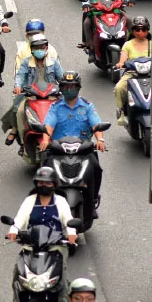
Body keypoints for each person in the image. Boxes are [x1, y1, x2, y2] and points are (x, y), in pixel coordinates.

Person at [39, 71, 106, 217]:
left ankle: (93, 200)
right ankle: (44, 203)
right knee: (44, 173)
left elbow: (96, 125)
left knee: (96, 169)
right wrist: (45, 140)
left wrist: (100, 140)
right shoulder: (55, 107)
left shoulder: (87, 107)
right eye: (66, 87)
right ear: (61, 88)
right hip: (58, 151)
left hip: (83, 151)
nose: (69, 90)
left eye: (73, 86)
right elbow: (48, 126)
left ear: (78, 88)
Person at [7, 167, 78, 302]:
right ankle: (17, 301)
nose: (44, 185)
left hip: (55, 245)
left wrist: (71, 234)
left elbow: (68, 220)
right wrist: (13, 230)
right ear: (36, 184)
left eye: (48, 183)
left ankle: (64, 301)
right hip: (31, 244)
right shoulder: (29, 200)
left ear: (54, 184)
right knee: (18, 271)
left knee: (61, 273)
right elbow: (19, 219)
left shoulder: (61, 201)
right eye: (41, 183)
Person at [2, 34, 64, 147]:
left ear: (46, 48)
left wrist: (66, 86)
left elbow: (61, 77)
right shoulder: (26, 62)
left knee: (66, 110)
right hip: (31, 95)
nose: (39, 50)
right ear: (32, 50)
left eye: (42, 47)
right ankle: (19, 136)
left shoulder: (54, 62)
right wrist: (18, 86)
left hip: (51, 95)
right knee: (19, 111)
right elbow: (20, 75)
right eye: (36, 48)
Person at [113, 16, 150, 126]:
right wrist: (120, 64)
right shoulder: (128, 44)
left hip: (150, 74)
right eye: (137, 29)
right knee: (119, 88)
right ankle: (121, 112)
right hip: (132, 73)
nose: (140, 32)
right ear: (133, 31)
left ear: (147, 31)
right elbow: (122, 60)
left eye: (143, 29)